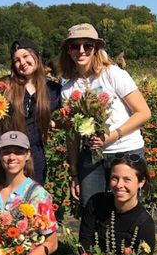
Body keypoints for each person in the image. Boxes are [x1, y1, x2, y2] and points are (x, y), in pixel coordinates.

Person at [58, 23, 151, 208]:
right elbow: (72, 134)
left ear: (96, 49)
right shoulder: (68, 89)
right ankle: (96, 239)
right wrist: (74, 172)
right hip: (92, 157)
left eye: (87, 45)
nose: (81, 51)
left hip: (126, 151)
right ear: (68, 51)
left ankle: (129, 239)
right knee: (92, 208)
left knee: (127, 209)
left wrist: (112, 135)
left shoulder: (112, 74)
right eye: (75, 46)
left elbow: (144, 112)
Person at [0, 38, 62, 187]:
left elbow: (70, 118)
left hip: (33, 154)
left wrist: (50, 123)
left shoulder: (53, 90)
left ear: (36, 55)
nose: (22, 62)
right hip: (3, 151)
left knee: (32, 201)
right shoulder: (5, 85)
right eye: (16, 60)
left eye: (25, 56)